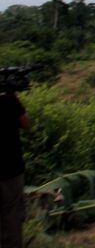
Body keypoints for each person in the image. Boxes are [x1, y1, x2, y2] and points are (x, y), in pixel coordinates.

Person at [0, 89, 30, 248]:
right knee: (11, 218)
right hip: (10, 169)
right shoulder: (8, 100)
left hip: (10, 169)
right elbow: (26, 123)